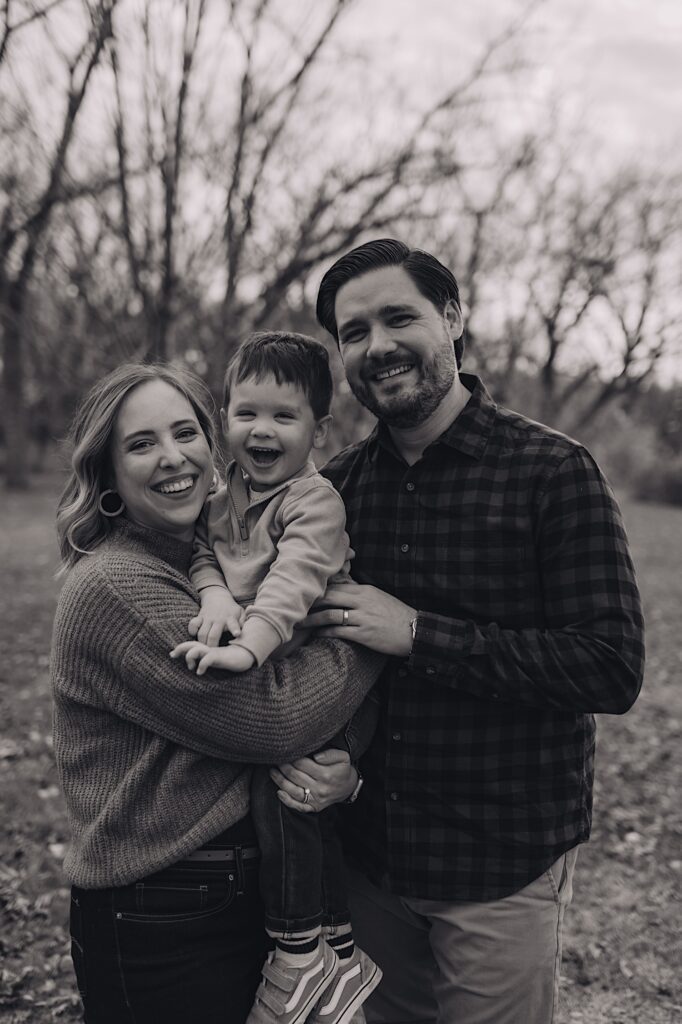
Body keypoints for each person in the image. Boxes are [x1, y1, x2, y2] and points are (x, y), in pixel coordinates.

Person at [274, 238, 645, 1024]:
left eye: (397, 317)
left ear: (451, 317)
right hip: (371, 862)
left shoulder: (551, 471)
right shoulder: (334, 493)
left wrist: (418, 632)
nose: (377, 346)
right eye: (354, 332)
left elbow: (609, 666)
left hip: (500, 864)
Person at [50, 361, 384, 1024]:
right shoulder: (118, 585)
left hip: (232, 893)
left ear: (212, 441)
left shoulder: (208, 551)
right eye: (141, 444)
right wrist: (369, 632)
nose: (173, 457)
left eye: (185, 432)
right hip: (163, 913)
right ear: (107, 474)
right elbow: (273, 719)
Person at [171, 332, 382, 1024]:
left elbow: (292, 585)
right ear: (224, 418)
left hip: (333, 679)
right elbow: (202, 554)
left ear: (318, 430)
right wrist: (214, 597)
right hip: (283, 662)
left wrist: (248, 647)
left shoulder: (313, 502)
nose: (261, 431)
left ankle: (298, 951)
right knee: (293, 801)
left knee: (287, 793)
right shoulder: (222, 492)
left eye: (283, 417)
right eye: (245, 413)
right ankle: (342, 956)